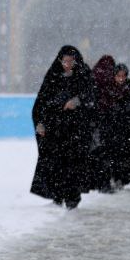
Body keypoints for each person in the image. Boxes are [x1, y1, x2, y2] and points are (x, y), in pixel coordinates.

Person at [29, 44, 96, 209]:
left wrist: (78, 101)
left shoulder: (83, 74)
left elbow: (92, 96)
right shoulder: (53, 75)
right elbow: (42, 101)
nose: (67, 65)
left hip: (76, 131)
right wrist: (40, 122)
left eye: (71, 61)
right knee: (55, 164)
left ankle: (72, 198)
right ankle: (57, 196)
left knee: (73, 165)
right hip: (55, 129)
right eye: (64, 61)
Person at [90, 55, 130, 191]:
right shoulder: (107, 88)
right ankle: (107, 181)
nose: (121, 79)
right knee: (108, 156)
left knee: (122, 156)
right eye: (118, 76)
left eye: (123, 76)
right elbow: (102, 106)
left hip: (125, 129)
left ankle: (119, 179)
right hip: (110, 129)